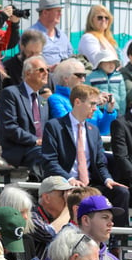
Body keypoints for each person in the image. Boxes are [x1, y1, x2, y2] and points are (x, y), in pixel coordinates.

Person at [42, 84, 129, 227]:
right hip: (64, 183)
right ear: (77, 102)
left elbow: (100, 163)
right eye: (92, 103)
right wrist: (69, 179)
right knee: (78, 196)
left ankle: (118, 243)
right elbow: (50, 160)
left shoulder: (93, 130)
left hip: (90, 184)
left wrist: (108, 179)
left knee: (121, 192)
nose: (95, 108)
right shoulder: (54, 126)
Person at [0, 55, 51, 178]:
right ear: (27, 74)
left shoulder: (43, 100)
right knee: (44, 154)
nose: (46, 73)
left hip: (38, 148)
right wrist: (35, 141)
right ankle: (41, 190)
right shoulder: (11, 93)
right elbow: (9, 127)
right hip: (17, 148)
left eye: (47, 70)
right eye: (41, 70)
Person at [49, 59, 117, 135]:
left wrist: (109, 110)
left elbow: (103, 130)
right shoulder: (56, 99)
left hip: (92, 143)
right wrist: (91, 103)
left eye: (84, 76)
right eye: (80, 75)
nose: (83, 79)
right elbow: (67, 124)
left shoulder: (89, 98)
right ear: (66, 78)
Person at [29, 0, 73, 66]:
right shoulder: (31, 36)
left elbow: (70, 55)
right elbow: (30, 65)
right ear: (45, 13)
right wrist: (49, 69)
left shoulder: (62, 35)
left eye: (60, 11)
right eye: (58, 11)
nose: (60, 14)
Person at [87, 49, 126, 114]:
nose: (111, 64)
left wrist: (122, 112)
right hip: (97, 110)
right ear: (99, 63)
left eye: (113, 62)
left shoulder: (119, 76)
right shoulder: (90, 77)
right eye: (108, 62)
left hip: (116, 110)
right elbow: (87, 94)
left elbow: (122, 97)